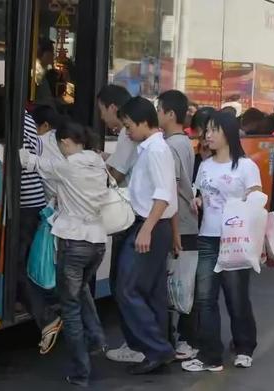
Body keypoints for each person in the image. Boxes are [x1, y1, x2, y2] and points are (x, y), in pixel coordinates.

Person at [20, 121, 108, 387]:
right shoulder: (98, 162)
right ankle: (97, 339)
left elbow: (31, 162)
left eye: (60, 144)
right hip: (98, 243)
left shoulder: (68, 166)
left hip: (74, 244)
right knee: (81, 291)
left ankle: (81, 372)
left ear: (67, 142)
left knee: (69, 309)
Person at [182, 111, 262, 372]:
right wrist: (198, 201)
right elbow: (203, 195)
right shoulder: (205, 165)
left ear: (227, 132)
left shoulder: (246, 166)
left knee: (236, 298)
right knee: (204, 299)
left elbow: (257, 200)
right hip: (207, 238)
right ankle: (211, 355)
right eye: (206, 131)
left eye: (213, 130)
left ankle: (244, 346)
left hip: (235, 240)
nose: (208, 135)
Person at [114, 96, 177, 374]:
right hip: (151, 225)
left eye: (128, 126)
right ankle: (157, 349)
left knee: (126, 289)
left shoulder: (156, 151)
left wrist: (146, 230)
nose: (127, 132)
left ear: (142, 122)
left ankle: (158, 349)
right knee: (151, 293)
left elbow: (164, 194)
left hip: (149, 225)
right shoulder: (149, 149)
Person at [96, 85, 147, 365]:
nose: (102, 118)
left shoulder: (129, 136)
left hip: (129, 216)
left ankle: (137, 344)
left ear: (113, 108)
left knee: (124, 284)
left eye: (102, 111)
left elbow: (115, 174)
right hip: (136, 215)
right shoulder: (137, 138)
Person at [156, 90, 199, 361]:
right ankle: (182, 339)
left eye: (159, 110)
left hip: (180, 223)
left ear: (170, 114)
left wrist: (172, 233)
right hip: (186, 221)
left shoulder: (171, 146)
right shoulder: (183, 142)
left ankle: (185, 340)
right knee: (182, 284)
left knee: (180, 285)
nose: (156, 114)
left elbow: (170, 191)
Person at [18, 111, 62, 354]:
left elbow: (22, 157)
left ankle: (47, 318)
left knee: (17, 265)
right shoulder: (26, 116)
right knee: (24, 263)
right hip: (32, 200)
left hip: (24, 203)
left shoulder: (14, 115)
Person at [31, 105, 65, 200]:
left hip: (51, 200)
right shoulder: (62, 138)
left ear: (45, 125)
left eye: (33, 126)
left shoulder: (40, 141)